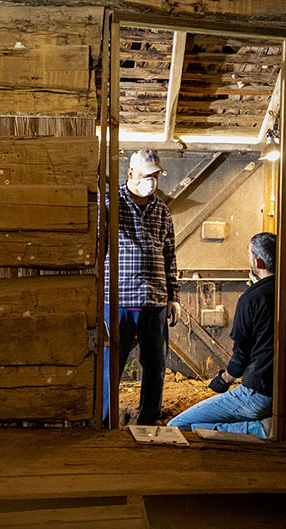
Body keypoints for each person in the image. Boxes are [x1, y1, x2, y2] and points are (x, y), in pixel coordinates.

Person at [166, 232, 277, 438]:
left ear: (258, 261)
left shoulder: (252, 298)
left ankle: (260, 429)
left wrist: (224, 380)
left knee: (176, 426)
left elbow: (240, 356)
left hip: (258, 393)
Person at [103, 149, 180, 426]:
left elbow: (169, 254)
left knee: (156, 367)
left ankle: (148, 420)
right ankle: (104, 421)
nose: (152, 181)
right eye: (147, 175)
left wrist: (174, 297)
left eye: (156, 176)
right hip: (118, 302)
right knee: (111, 366)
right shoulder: (111, 205)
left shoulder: (161, 210)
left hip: (155, 303)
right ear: (131, 173)